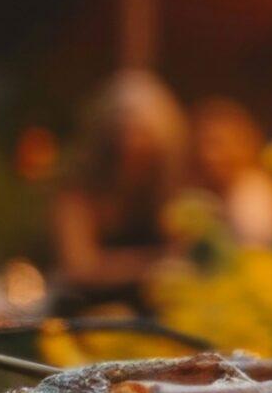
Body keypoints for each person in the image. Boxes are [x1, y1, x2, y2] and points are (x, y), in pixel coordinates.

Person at [52, 68, 190, 313]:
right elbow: (79, 268)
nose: (131, 143)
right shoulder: (79, 189)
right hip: (87, 314)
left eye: (141, 134)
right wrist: (155, 263)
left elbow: (184, 257)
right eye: (123, 133)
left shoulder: (171, 190)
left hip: (156, 317)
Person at [190, 97, 272, 248]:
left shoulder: (253, 193)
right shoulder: (216, 190)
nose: (207, 155)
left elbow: (254, 251)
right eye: (201, 143)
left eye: (217, 144)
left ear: (243, 143)